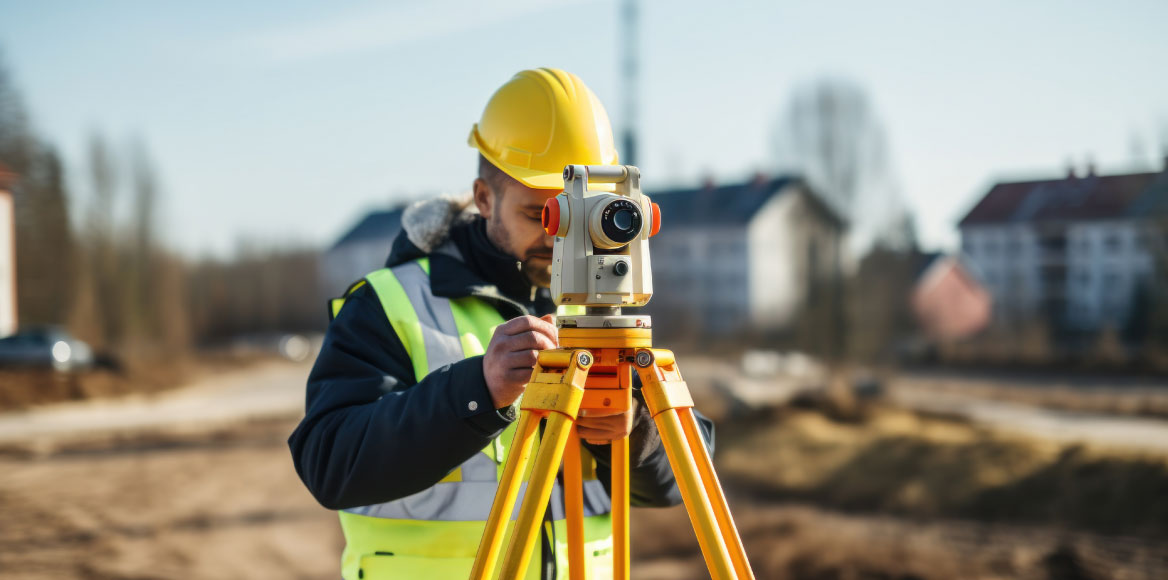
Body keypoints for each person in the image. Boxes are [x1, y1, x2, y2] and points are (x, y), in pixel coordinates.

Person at [288, 68, 714, 580]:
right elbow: (329, 464)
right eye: (540, 215)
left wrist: (636, 431)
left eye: (575, 216)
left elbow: (683, 486)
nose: (558, 237)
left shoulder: (600, 312)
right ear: (485, 198)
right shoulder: (392, 302)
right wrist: (476, 391)